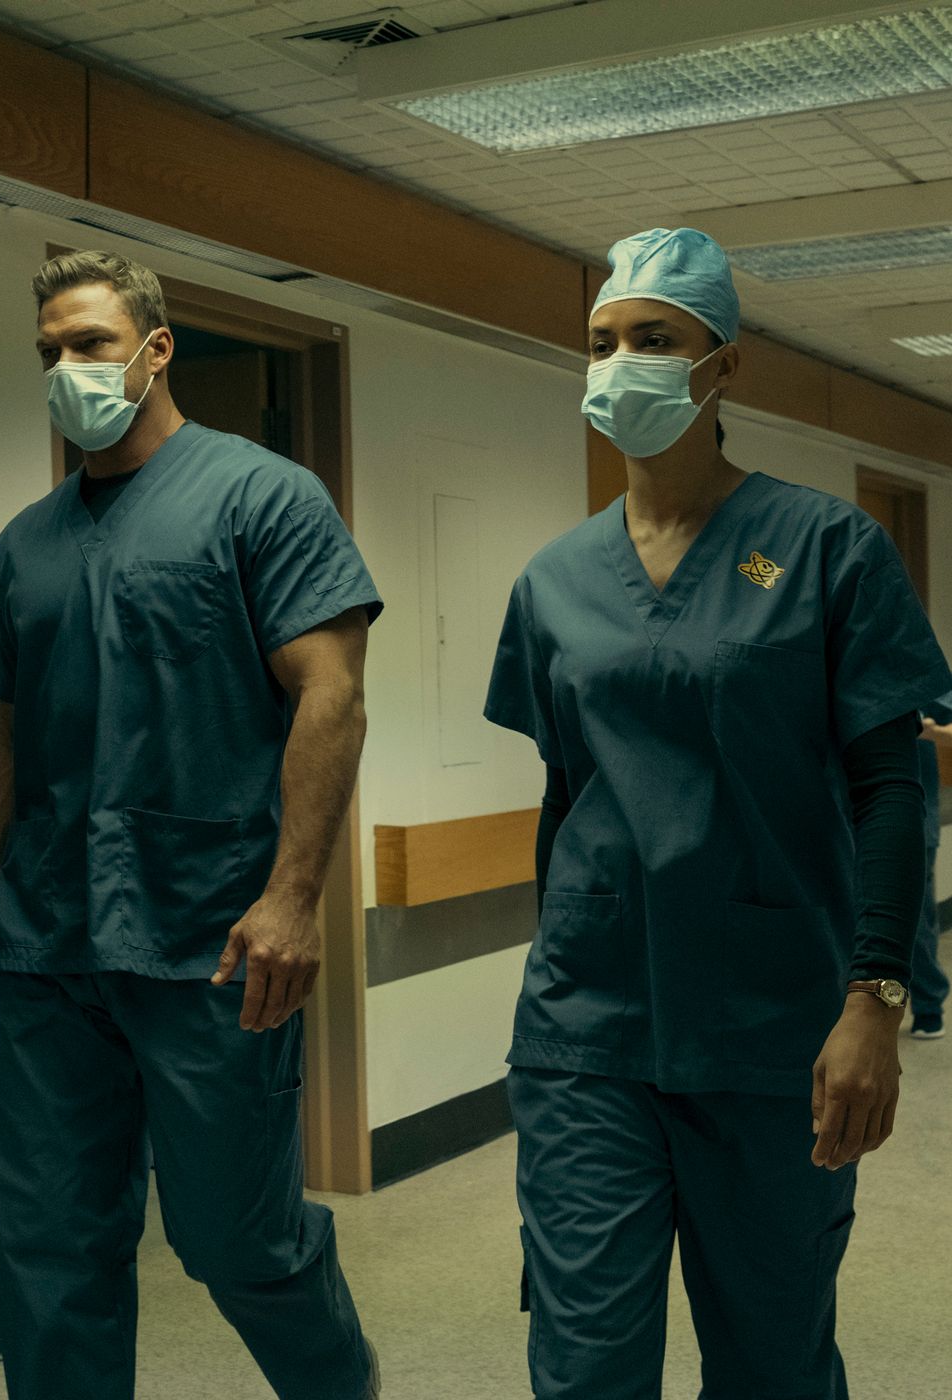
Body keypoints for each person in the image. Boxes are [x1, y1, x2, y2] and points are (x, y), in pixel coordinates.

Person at [485, 227, 952, 1399]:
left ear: (722, 365)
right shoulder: (553, 582)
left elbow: (893, 786)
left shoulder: (826, 547)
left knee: (770, 1362)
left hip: (770, 1026)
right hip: (586, 1027)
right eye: (601, 342)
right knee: (582, 1365)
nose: (620, 363)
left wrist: (875, 996)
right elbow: (565, 795)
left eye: (654, 338)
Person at [0, 251, 383, 1400]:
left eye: (88, 343)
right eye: (48, 351)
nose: (67, 368)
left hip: (209, 941)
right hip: (46, 946)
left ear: (154, 347)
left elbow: (328, 694)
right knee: (45, 1250)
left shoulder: (260, 496)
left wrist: (292, 895)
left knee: (234, 1237)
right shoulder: (25, 543)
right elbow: (6, 732)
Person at [910, 693, 952, 1038]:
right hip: (850, 814)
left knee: (917, 918)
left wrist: (931, 731)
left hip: (914, 814)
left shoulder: (924, 679)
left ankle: (928, 1005)